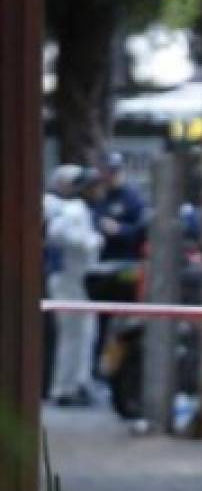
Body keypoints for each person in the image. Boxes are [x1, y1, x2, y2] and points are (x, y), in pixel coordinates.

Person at [43, 165, 103, 406]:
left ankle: (79, 383)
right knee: (71, 335)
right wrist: (91, 241)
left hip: (80, 281)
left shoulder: (78, 209)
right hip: (68, 280)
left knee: (86, 334)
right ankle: (63, 389)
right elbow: (57, 234)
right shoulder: (68, 209)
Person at [93, 152, 148, 261]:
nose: (110, 176)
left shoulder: (133, 197)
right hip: (104, 257)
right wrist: (100, 225)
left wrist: (120, 229)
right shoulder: (100, 196)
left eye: (114, 172)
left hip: (128, 258)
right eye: (107, 172)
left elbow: (143, 230)